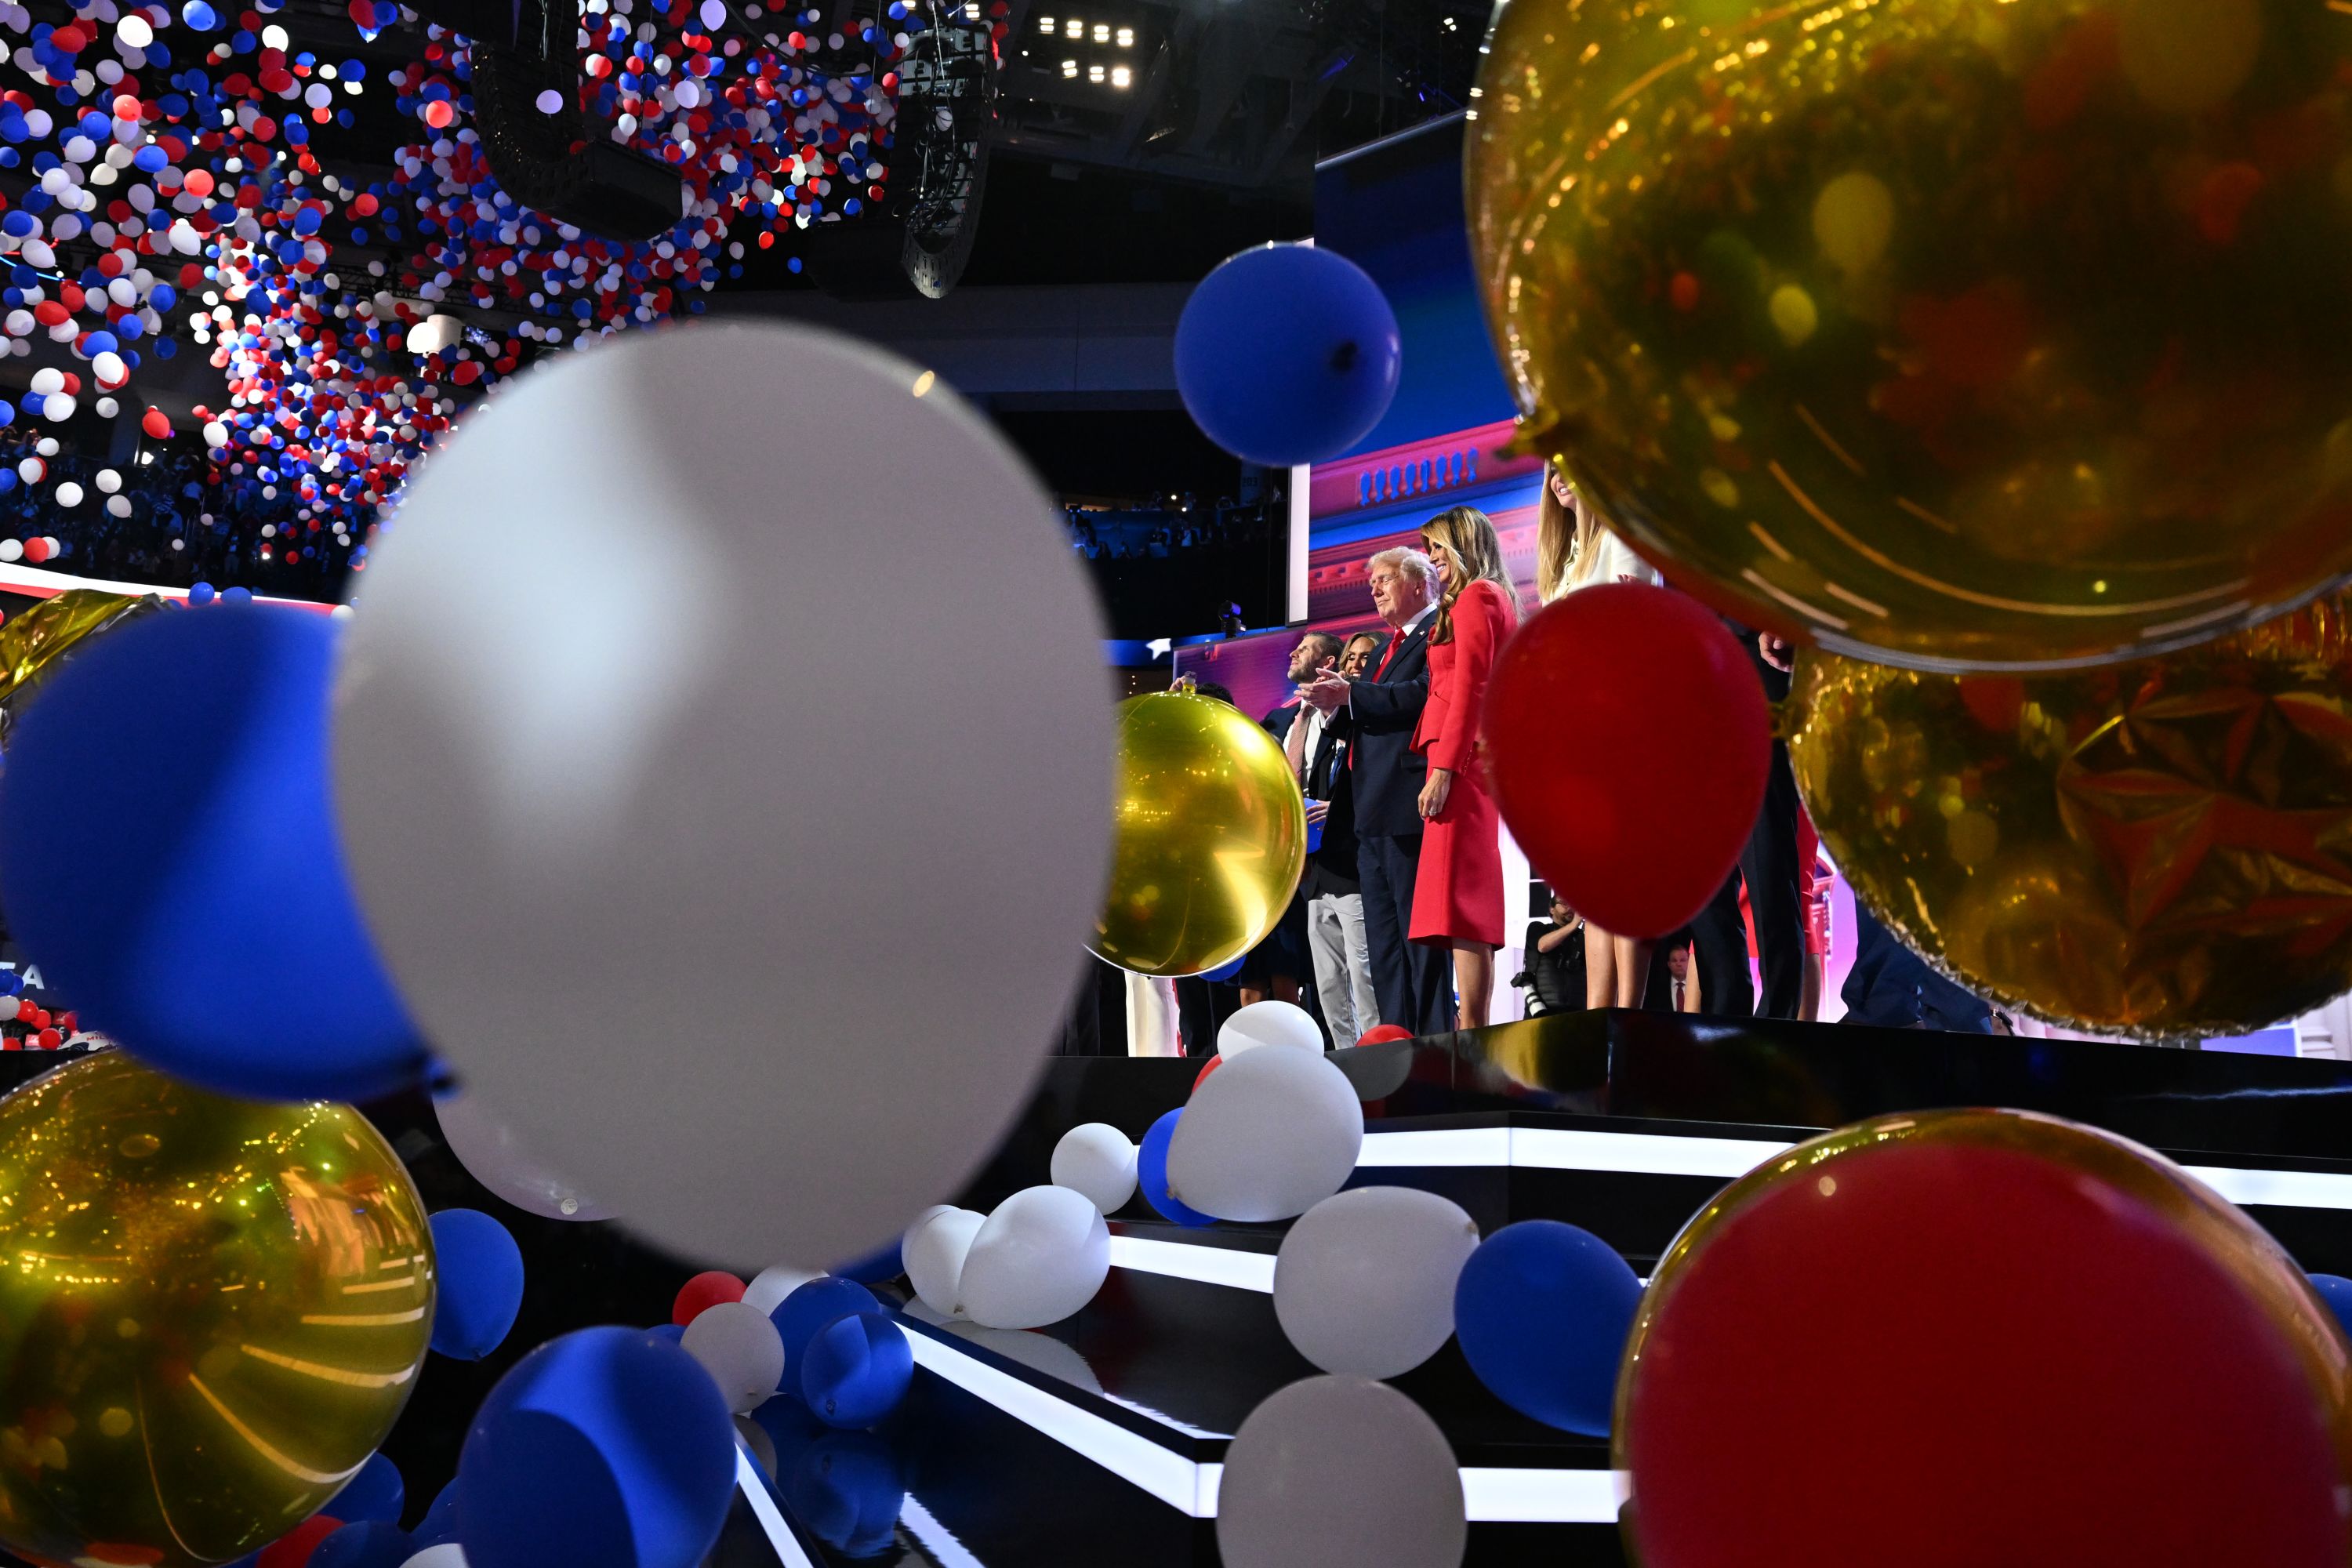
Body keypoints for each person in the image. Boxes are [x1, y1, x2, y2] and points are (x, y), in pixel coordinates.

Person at [1299, 547, 1453, 1036]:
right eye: (1372, 582)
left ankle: (1430, 1044)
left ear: (1419, 584)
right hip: (1369, 814)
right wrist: (1332, 705)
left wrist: (1351, 694)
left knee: (1417, 941)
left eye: (1385, 579)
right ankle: (1393, 1043)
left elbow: (1422, 696)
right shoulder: (1390, 645)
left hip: (1409, 806)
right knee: (1384, 946)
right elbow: (1368, 713)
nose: (1375, 588)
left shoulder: (1436, 633)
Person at [1534, 463, 1663, 1008]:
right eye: (1550, 468)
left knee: (1622, 874)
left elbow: (1634, 626)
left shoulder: (1620, 536)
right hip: (1574, 731)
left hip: (1617, 722)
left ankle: (1627, 1010)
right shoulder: (1565, 563)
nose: (1558, 475)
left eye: (1569, 462)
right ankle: (1597, 1011)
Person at [1407, 506, 1519, 1030]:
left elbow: (1472, 686)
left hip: (1463, 764)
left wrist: (1445, 770)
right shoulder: (1489, 597)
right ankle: (1471, 1034)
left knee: (1463, 904)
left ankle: (1473, 1036)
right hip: (1466, 761)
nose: (1431, 559)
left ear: (1463, 545)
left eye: (1437, 548)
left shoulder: (1477, 597)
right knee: (1458, 906)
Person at [1294, 630, 1383, 1043]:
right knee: (1328, 981)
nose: (1355, 666)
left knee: (1364, 975)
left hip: (1356, 871)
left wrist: (1344, 809)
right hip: (1319, 872)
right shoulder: (1328, 731)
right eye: (1350, 659)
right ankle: (1345, 1057)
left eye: (1366, 659)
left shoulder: (1375, 727)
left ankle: (1375, 1054)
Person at [1516, 890, 1586, 1017]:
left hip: (1577, 1011)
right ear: (1552, 909)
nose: (1570, 908)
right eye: (1564, 903)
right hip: (1542, 1010)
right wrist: (1574, 925)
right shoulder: (1538, 928)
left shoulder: (1582, 937)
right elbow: (1543, 946)